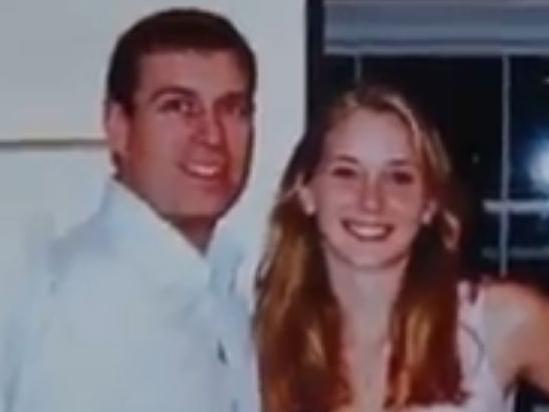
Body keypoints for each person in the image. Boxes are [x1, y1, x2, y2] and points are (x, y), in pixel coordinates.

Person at [3, 8, 258, 412]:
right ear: (118, 126)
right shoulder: (74, 306)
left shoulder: (224, 298)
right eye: (178, 107)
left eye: (232, 109)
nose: (211, 135)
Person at [254, 83, 549, 412]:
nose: (371, 200)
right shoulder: (263, 345)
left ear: (429, 205)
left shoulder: (497, 321)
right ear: (306, 192)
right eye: (346, 173)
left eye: (398, 177)